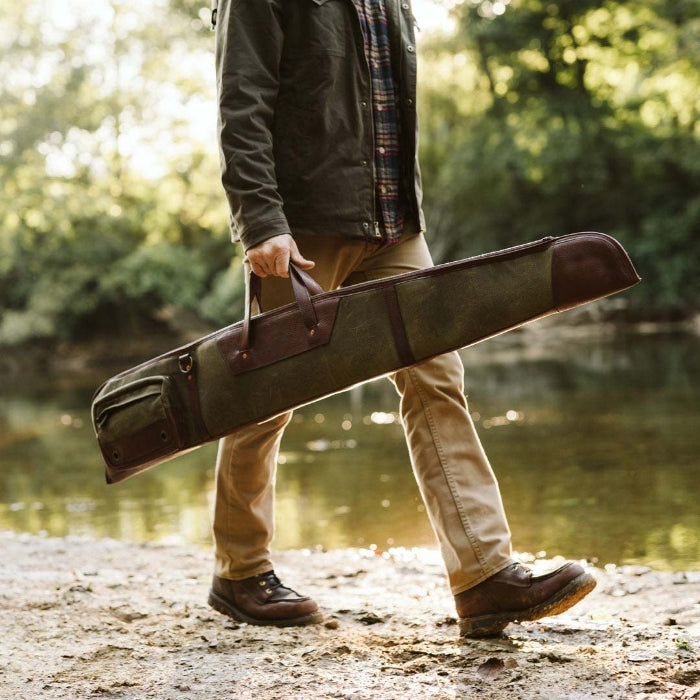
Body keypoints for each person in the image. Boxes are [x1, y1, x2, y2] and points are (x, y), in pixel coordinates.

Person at [207, 0, 596, 637]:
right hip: (303, 226)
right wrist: (260, 219)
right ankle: (240, 569)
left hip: (393, 226)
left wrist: (405, 210)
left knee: (437, 378)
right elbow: (240, 98)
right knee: (265, 394)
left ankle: (483, 576)